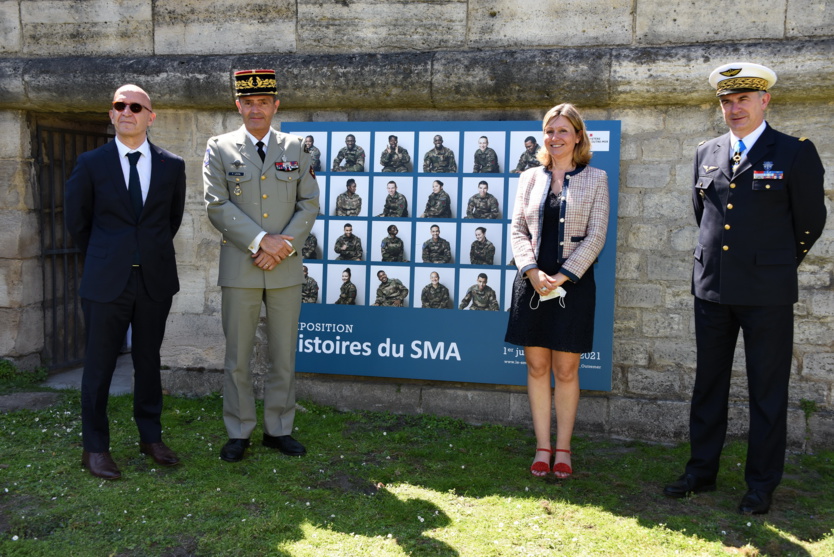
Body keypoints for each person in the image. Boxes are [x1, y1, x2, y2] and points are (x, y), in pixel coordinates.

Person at [662, 63, 826, 515]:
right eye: (727, 101)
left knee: (766, 391)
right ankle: (700, 472)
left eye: (743, 99)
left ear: (764, 100)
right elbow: (706, 215)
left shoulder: (794, 152)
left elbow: (811, 222)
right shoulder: (707, 152)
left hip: (767, 293)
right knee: (708, 385)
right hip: (712, 288)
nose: (734, 108)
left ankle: (760, 485)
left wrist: (773, 265)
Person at [65, 84, 186, 480]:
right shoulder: (91, 163)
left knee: (148, 362)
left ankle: (151, 438)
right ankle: (95, 448)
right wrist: (108, 256)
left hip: (154, 281)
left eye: (136, 106)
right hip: (106, 282)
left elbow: (170, 221)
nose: (127, 111)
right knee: (98, 367)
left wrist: (143, 254)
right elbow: (77, 223)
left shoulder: (172, 165)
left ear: (150, 116)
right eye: (119, 106)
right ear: (111, 114)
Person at [204, 69, 319, 463]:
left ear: (275, 105)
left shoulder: (295, 147)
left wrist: (280, 247)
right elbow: (216, 204)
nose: (256, 109)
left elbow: (309, 203)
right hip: (241, 264)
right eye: (248, 102)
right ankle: (239, 431)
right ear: (238, 105)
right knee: (238, 355)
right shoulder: (219, 147)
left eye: (263, 102)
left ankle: (279, 428)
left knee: (283, 352)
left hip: (284, 265)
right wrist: (260, 241)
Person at [505, 103, 609, 479]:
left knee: (566, 370)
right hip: (532, 284)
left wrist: (562, 276)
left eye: (563, 130)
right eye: (550, 131)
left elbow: (597, 235)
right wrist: (532, 271)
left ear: (578, 136)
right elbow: (517, 230)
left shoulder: (596, 178)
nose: (555, 137)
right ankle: (541, 447)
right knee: (536, 366)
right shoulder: (529, 177)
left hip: (573, 287)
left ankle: (563, 448)